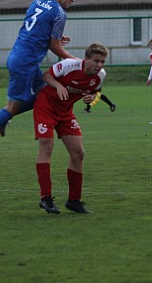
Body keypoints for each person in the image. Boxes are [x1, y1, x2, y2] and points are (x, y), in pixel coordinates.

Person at [0, 0, 78, 166]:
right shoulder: (60, 13)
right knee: (12, 107)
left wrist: (58, 40)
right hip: (26, 62)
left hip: (17, 56)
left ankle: (1, 117)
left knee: (45, 94)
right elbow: (54, 46)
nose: (73, 0)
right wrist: (75, 60)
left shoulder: (36, 3)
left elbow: (36, 30)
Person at [35, 42, 108, 214]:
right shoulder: (70, 65)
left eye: (103, 62)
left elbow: (96, 90)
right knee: (46, 146)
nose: (99, 65)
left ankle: (74, 200)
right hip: (46, 107)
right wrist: (59, 85)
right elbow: (46, 76)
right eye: (96, 61)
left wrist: (91, 97)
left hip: (65, 113)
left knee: (78, 152)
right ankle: (45, 198)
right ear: (86, 59)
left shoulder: (101, 75)